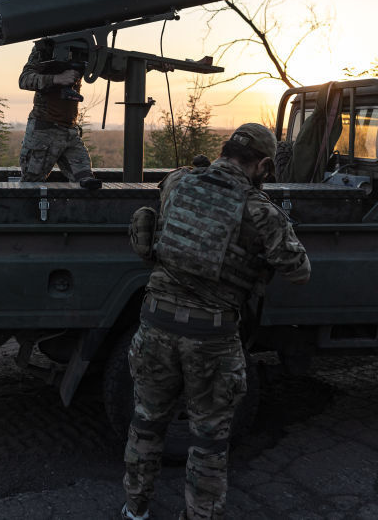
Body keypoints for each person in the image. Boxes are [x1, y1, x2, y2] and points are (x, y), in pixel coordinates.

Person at [122, 123, 311, 520]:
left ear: (223, 150)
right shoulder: (259, 210)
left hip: (155, 324)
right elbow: (299, 270)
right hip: (211, 337)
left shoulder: (177, 182)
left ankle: (135, 509)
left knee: (146, 424)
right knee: (208, 441)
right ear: (261, 163)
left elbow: (168, 194)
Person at [18, 43, 101, 189]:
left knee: (86, 183)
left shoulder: (83, 44)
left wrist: (101, 56)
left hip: (69, 132)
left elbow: (114, 71)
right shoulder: (45, 47)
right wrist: (57, 79)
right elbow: (24, 80)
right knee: (30, 186)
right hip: (43, 131)